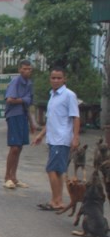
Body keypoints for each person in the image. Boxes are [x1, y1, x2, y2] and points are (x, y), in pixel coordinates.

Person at [32, 67, 80, 211]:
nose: (56, 80)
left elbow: (76, 117)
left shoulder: (69, 95)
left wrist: (75, 137)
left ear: (64, 79)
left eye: (59, 78)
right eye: (53, 78)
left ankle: (56, 200)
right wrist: (41, 135)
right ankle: (58, 201)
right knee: (58, 171)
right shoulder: (52, 96)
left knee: (51, 169)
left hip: (62, 139)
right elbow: (51, 120)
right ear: (50, 79)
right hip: (53, 139)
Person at [3, 59, 35, 189]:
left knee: (20, 147)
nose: (27, 71)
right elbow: (10, 99)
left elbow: (28, 104)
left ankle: (14, 177)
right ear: (20, 70)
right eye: (25, 68)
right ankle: (7, 177)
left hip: (23, 115)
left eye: (29, 69)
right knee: (14, 147)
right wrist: (23, 100)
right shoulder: (16, 82)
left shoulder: (29, 83)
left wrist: (32, 122)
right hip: (14, 115)